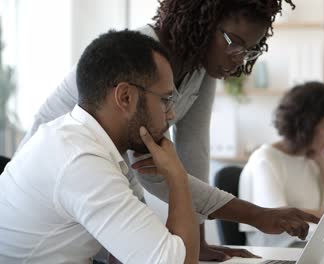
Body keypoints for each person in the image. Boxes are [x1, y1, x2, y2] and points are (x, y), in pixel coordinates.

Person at [17, 0, 301, 261]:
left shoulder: (201, 66)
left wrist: (198, 243)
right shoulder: (138, 60)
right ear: (202, 21)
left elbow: (188, 155)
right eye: (234, 43)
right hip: (57, 197)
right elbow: (154, 172)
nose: (238, 58)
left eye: (249, 50)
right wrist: (252, 215)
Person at [0, 30, 201, 263]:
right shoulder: (81, 160)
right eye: (165, 100)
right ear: (125, 97)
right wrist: (177, 178)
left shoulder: (75, 138)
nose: (172, 113)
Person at [238, 81, 324, 247]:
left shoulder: (311, 157)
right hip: (281, 252)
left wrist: (322, 161)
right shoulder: (265, 159)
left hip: (312, 246)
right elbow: (279, 216)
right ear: (307, 125)